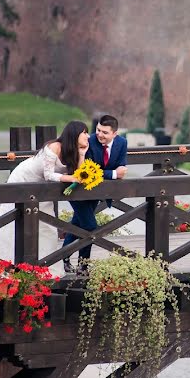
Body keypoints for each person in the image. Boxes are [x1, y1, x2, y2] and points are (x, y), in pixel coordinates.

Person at [0, 121, 90, 266]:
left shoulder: (74, 151)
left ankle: (45, 267)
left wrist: (82, 154)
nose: (87, 136)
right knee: (13, 221)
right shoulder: (54, 147)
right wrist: (70, 178)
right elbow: (49, 175)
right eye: (84, 132)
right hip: (25, 179)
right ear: (74, 133)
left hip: (42, 189)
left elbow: (80, 174)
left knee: (47, 227)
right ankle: (6, 263)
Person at [62, 114, 127, 273]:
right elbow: (88, 171)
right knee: (90, 226)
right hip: (78, 188)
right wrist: (112, 174)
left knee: (78, 223)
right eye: (98, 130)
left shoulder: (122, 143)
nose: (99, 134)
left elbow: (122, 169)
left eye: (105, 132)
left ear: (115, 134)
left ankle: (64, 255)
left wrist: (115, 172)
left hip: (95, 191)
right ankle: (83, 266)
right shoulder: (89, 141)